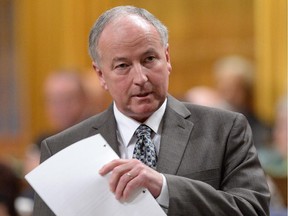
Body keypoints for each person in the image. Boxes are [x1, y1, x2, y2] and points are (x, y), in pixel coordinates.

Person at [33, 5, 270, 215]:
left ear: (166, 57)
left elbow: (254, 209)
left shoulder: (224, 129)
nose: (141, 78)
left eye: (149, 59)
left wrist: (165, 187)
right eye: (123, 66)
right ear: (100, 75)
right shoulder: (61, 149)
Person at [213, 55, 271, 149]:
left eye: (235, 89)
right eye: (225, 89)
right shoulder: (208, 121)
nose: (229, 95)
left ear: (247, 91)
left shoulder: (260, 128)